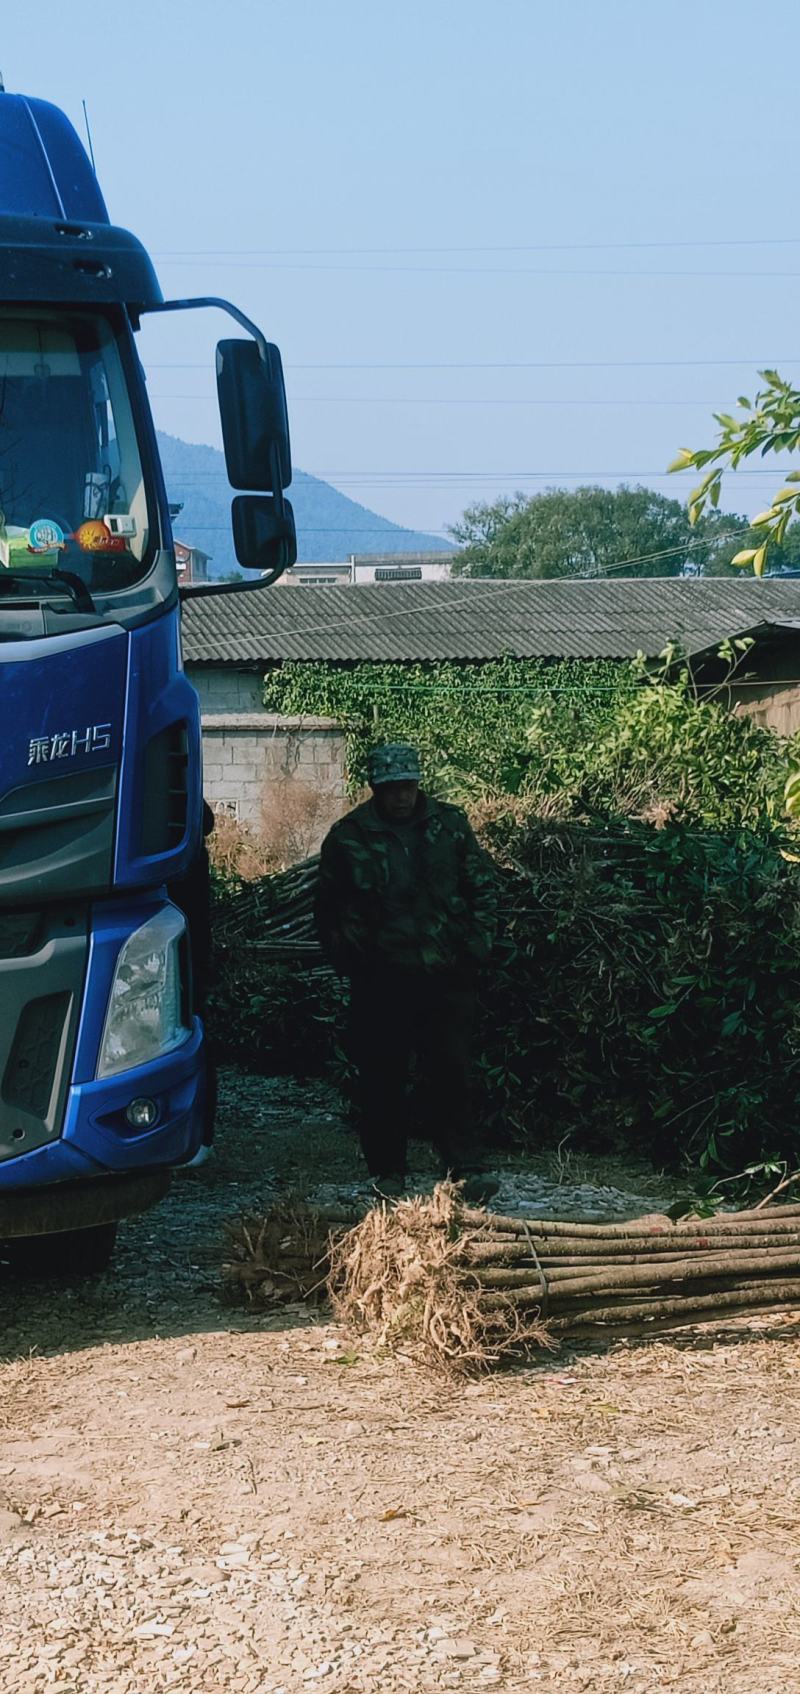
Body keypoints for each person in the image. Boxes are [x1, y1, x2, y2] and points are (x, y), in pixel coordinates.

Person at [314, 744, 499, 1202]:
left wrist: (474, 949)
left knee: (452, 1072)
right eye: (392, 788)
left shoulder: (450, 826)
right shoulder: (349, 835)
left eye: (409, 786)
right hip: (382, 980)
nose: (402, 796)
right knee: (382, 1077)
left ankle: (465, 1167)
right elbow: (327, 910)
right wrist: (352, 960)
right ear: (377, 788)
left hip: (446, 975)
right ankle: (389, 1171)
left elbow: (483, 888)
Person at [169, 798, 217, 1164]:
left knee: (192, 1033)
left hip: (187, 953)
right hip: (181, 951)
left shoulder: (184, 857)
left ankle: (200, 1137)